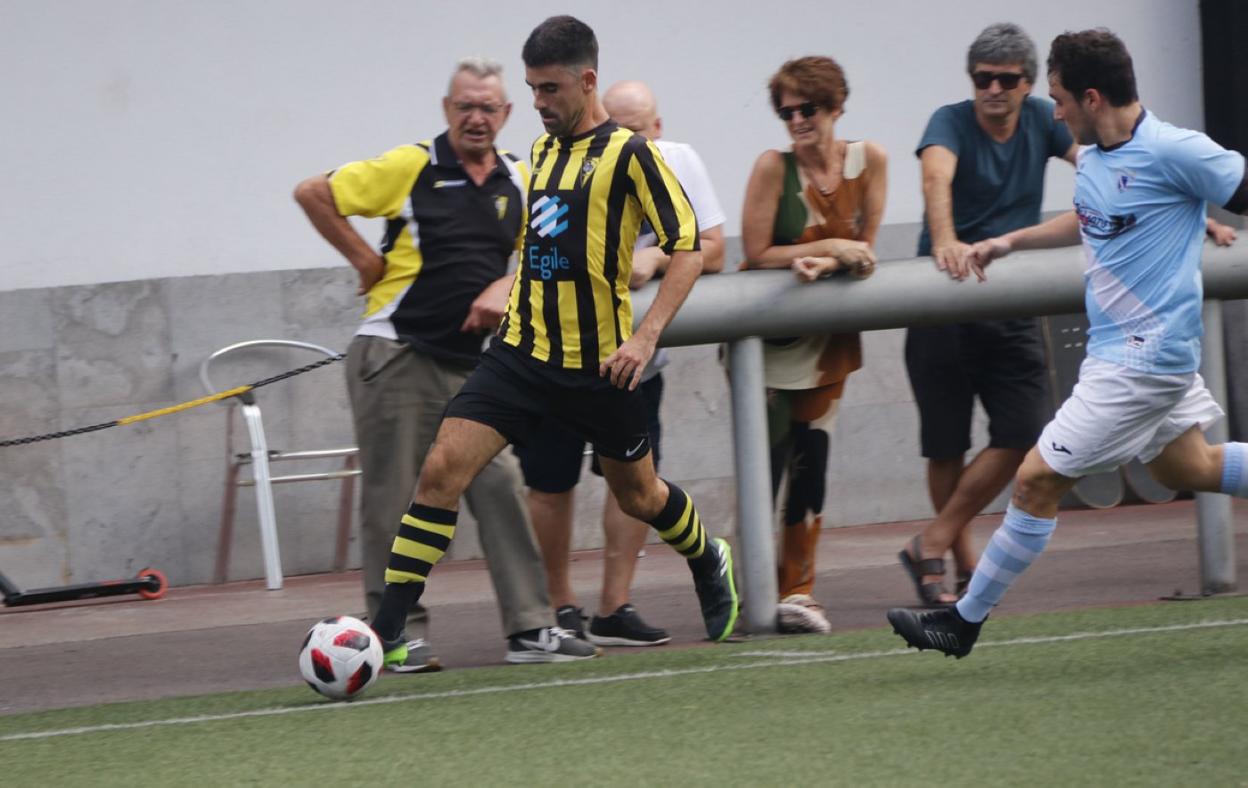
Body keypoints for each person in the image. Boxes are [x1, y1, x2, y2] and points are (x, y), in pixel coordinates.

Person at [366, 15, 740, 669]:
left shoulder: (632, 154)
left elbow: (690, 248)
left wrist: (646, 337)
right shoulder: (540, 153)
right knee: (441, 470)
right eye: (533, 88)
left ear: (586, 81)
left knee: (640, 496)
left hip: (601, 367)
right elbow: (545, 245)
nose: (537, 103)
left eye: (549, 89)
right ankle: (388, 630)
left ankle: (708, 555)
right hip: (521, 357)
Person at [888, 28, 1248, 658]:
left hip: (1142, 362)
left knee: (1034, 479)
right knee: (1188, 468)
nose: (1052, 114)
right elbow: (1091, 219)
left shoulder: (1175, 149)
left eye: (1057, 99)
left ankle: (961, 623)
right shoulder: (1099, 157)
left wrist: (1203, 218)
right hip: (1128, 358)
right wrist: (1009, 242)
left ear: (1091, 98)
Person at [294, 57, 580, 668]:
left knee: (501, 485)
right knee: (395, 501)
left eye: (488, 108)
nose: (476, 118)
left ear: (507, 113)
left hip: (474, 366)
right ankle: (396, 636)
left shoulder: (520, 178)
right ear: (447, 109)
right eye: (465, 106)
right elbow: (313, 192)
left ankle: (532, 627)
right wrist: (365, 262)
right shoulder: (412, 166)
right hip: (396, 354)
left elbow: (549, 252)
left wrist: (507, 285)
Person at [514, 79, 727, 647]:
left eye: (637, 129)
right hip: (558, 353)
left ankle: (615, 605)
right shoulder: (566, 157)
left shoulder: (674, 160)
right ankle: (560, 605)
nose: (625, 137)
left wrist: (653, 258)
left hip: (630, 359)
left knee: (633, 484)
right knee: (549, 479)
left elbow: (711, 246)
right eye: (618, 125)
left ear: (657, 128)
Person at [898, 23, 1077, 608]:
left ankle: (932, 539)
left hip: (1009, 299)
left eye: (1005, 79)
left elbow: (1099, 158)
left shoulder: (1045, 119)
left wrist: (1168, 206)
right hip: (945, 299)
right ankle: (958, 563)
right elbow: (936, 176)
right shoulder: (949, 121)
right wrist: (945, 239)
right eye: (982, 79)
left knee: (1025, 429)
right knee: (945, 443)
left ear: (1028, 84)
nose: (993, 89)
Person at [740, 56, 884, 633]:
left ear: (836, 107)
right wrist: (828, 249)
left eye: (809, 109)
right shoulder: (772, 168)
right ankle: (748, 594)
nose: (798, 120)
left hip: (829, 345)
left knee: (811, 470)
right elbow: (756, 253)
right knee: (765, 472)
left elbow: (865, 250)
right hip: (768, 349)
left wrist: (832, 261)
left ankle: (798, 592)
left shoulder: (869, 161)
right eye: (787, 112)